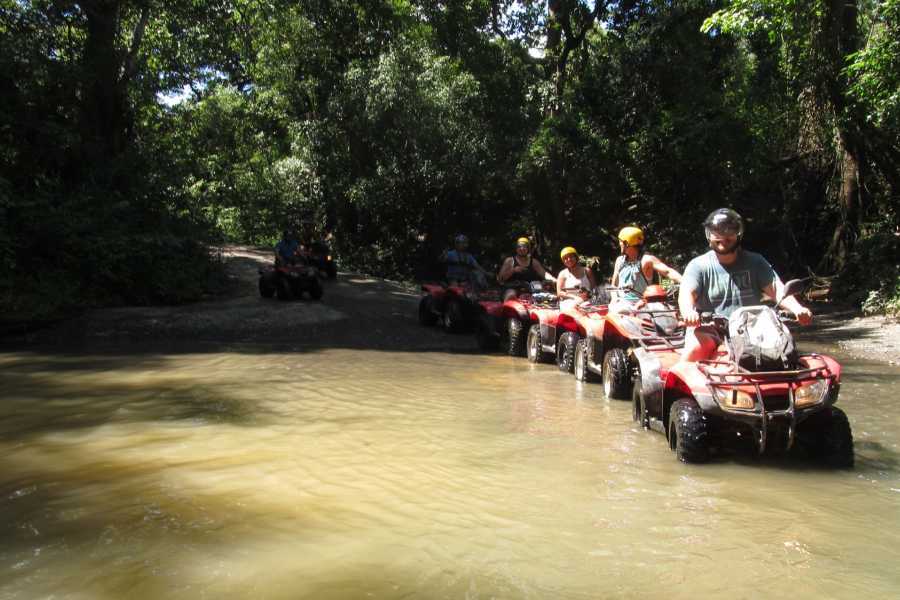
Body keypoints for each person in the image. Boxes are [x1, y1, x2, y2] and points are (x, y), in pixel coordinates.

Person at [678, 208, 813, 363]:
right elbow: (686, 293)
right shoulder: (698, 266)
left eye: (729, 231)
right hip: (710, 330)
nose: (723, 236)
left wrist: (798, 309)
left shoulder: (756, 262)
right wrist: (688, 312)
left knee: (786, 348)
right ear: (709, 235)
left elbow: (777, 289)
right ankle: (675, 384)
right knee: (695, 350)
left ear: (738, 234)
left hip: (751, 329)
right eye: (717, 232)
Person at [610, 226, 682, 311]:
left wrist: (686, 282)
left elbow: (668, 271)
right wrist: (614, 299)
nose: (619, 244)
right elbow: (614, 286)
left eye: (620, 242)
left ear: (626, 243)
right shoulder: (619, 261)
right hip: (621, 305)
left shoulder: (646, 260)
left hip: (642, 306)